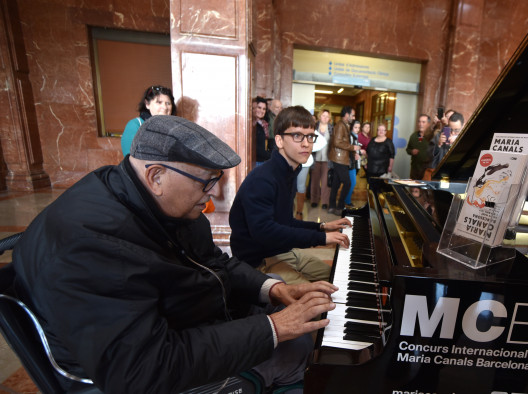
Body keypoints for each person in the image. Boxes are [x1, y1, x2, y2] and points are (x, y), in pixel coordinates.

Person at [11, 115, 337, 393]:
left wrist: (275, 290)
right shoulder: (91, 247)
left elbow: (214, 263)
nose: (212, 196)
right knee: (296, 352)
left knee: (276, 285)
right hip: (146, 373)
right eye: (206, 183)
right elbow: (144, 370)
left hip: (180, 324)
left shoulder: (151, 199)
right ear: (156, 176)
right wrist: (274, 329)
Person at [230, 106, 352, 285]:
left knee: (338, 280)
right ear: (279, 140)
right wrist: (322, 238)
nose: (306, 143)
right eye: (297, 136)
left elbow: (285, 222)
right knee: (319, 296)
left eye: (310, 136)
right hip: (258, 261)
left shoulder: (289, 172)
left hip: (281, 252)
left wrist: (322, 227)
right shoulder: (263, 178)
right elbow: (265, 232)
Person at [120, 85, 176, 156]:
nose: (164, 107)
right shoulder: (135, 125)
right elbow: (130, 157)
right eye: (159, 102)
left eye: (168, 103)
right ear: (147, 104)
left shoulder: (174, 127)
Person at [328, 106, 360, 215]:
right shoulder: (340, 125)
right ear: (346, 115)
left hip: (340, 158)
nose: (354, 117)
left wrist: (353, 152)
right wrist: (352, 147)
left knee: (336, 184)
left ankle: (332, 207)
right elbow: (337, 142)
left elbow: (341, 142)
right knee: (348, 183)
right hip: (339, 159)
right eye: (353, 115)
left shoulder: (344, 125)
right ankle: (340, 207)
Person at [309, 109, 333, 209]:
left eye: (327, 116)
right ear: (320, 116)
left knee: (325, 182)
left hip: (327, 159)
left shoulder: (332, 128)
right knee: (314, 181)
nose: (325, 118)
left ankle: (325, 202)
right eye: (323, 116)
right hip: (315, 158)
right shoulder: (314, 126)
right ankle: (314, 200)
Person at [406, 114, 433, 180]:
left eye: (423, 122)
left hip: (427, 170)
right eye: (419, 122)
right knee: (413, 189)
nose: (421, 124)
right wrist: (411, 151)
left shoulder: (432, 136)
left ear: (428, 124)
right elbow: (408, 149)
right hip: (415, 169)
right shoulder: (413, 135)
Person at [344, 120, 362, 207]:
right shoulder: (349, 136)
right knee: (351, 183)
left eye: (359, 128)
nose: (357, 129)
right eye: (355, 127)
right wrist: (355, 153)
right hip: (349, 163)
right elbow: (347, 148)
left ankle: (346, 200)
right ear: (351, 127)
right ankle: (346, 200)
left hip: (353, 163)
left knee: (351, 182)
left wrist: (359, 152)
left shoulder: (355, 136)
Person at [253, 96, 272, 166]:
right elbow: (255, 148)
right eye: (259, 107)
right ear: (253, 108)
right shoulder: (252, 125)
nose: (262, 111)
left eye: (264, 109)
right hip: (255, 161)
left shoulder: (263, 124)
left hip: (262, 160)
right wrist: (271, 156)